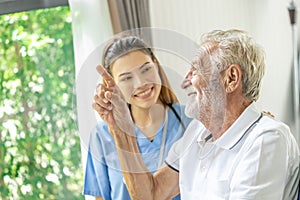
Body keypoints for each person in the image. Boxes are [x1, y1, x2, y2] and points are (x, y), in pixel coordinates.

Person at [95, 29, 300, 199]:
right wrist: (119, 126)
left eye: (195, 70)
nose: (185, 80)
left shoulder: (265, 140)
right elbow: (151, 194)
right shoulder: (197, 132)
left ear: (231, 78)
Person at [83, 35, 192, 200]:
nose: (141, 83)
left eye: (146, 69)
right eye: (126, 78)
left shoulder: (192, 122)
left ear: (156, 66)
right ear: (112, 84)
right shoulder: (101, 136)